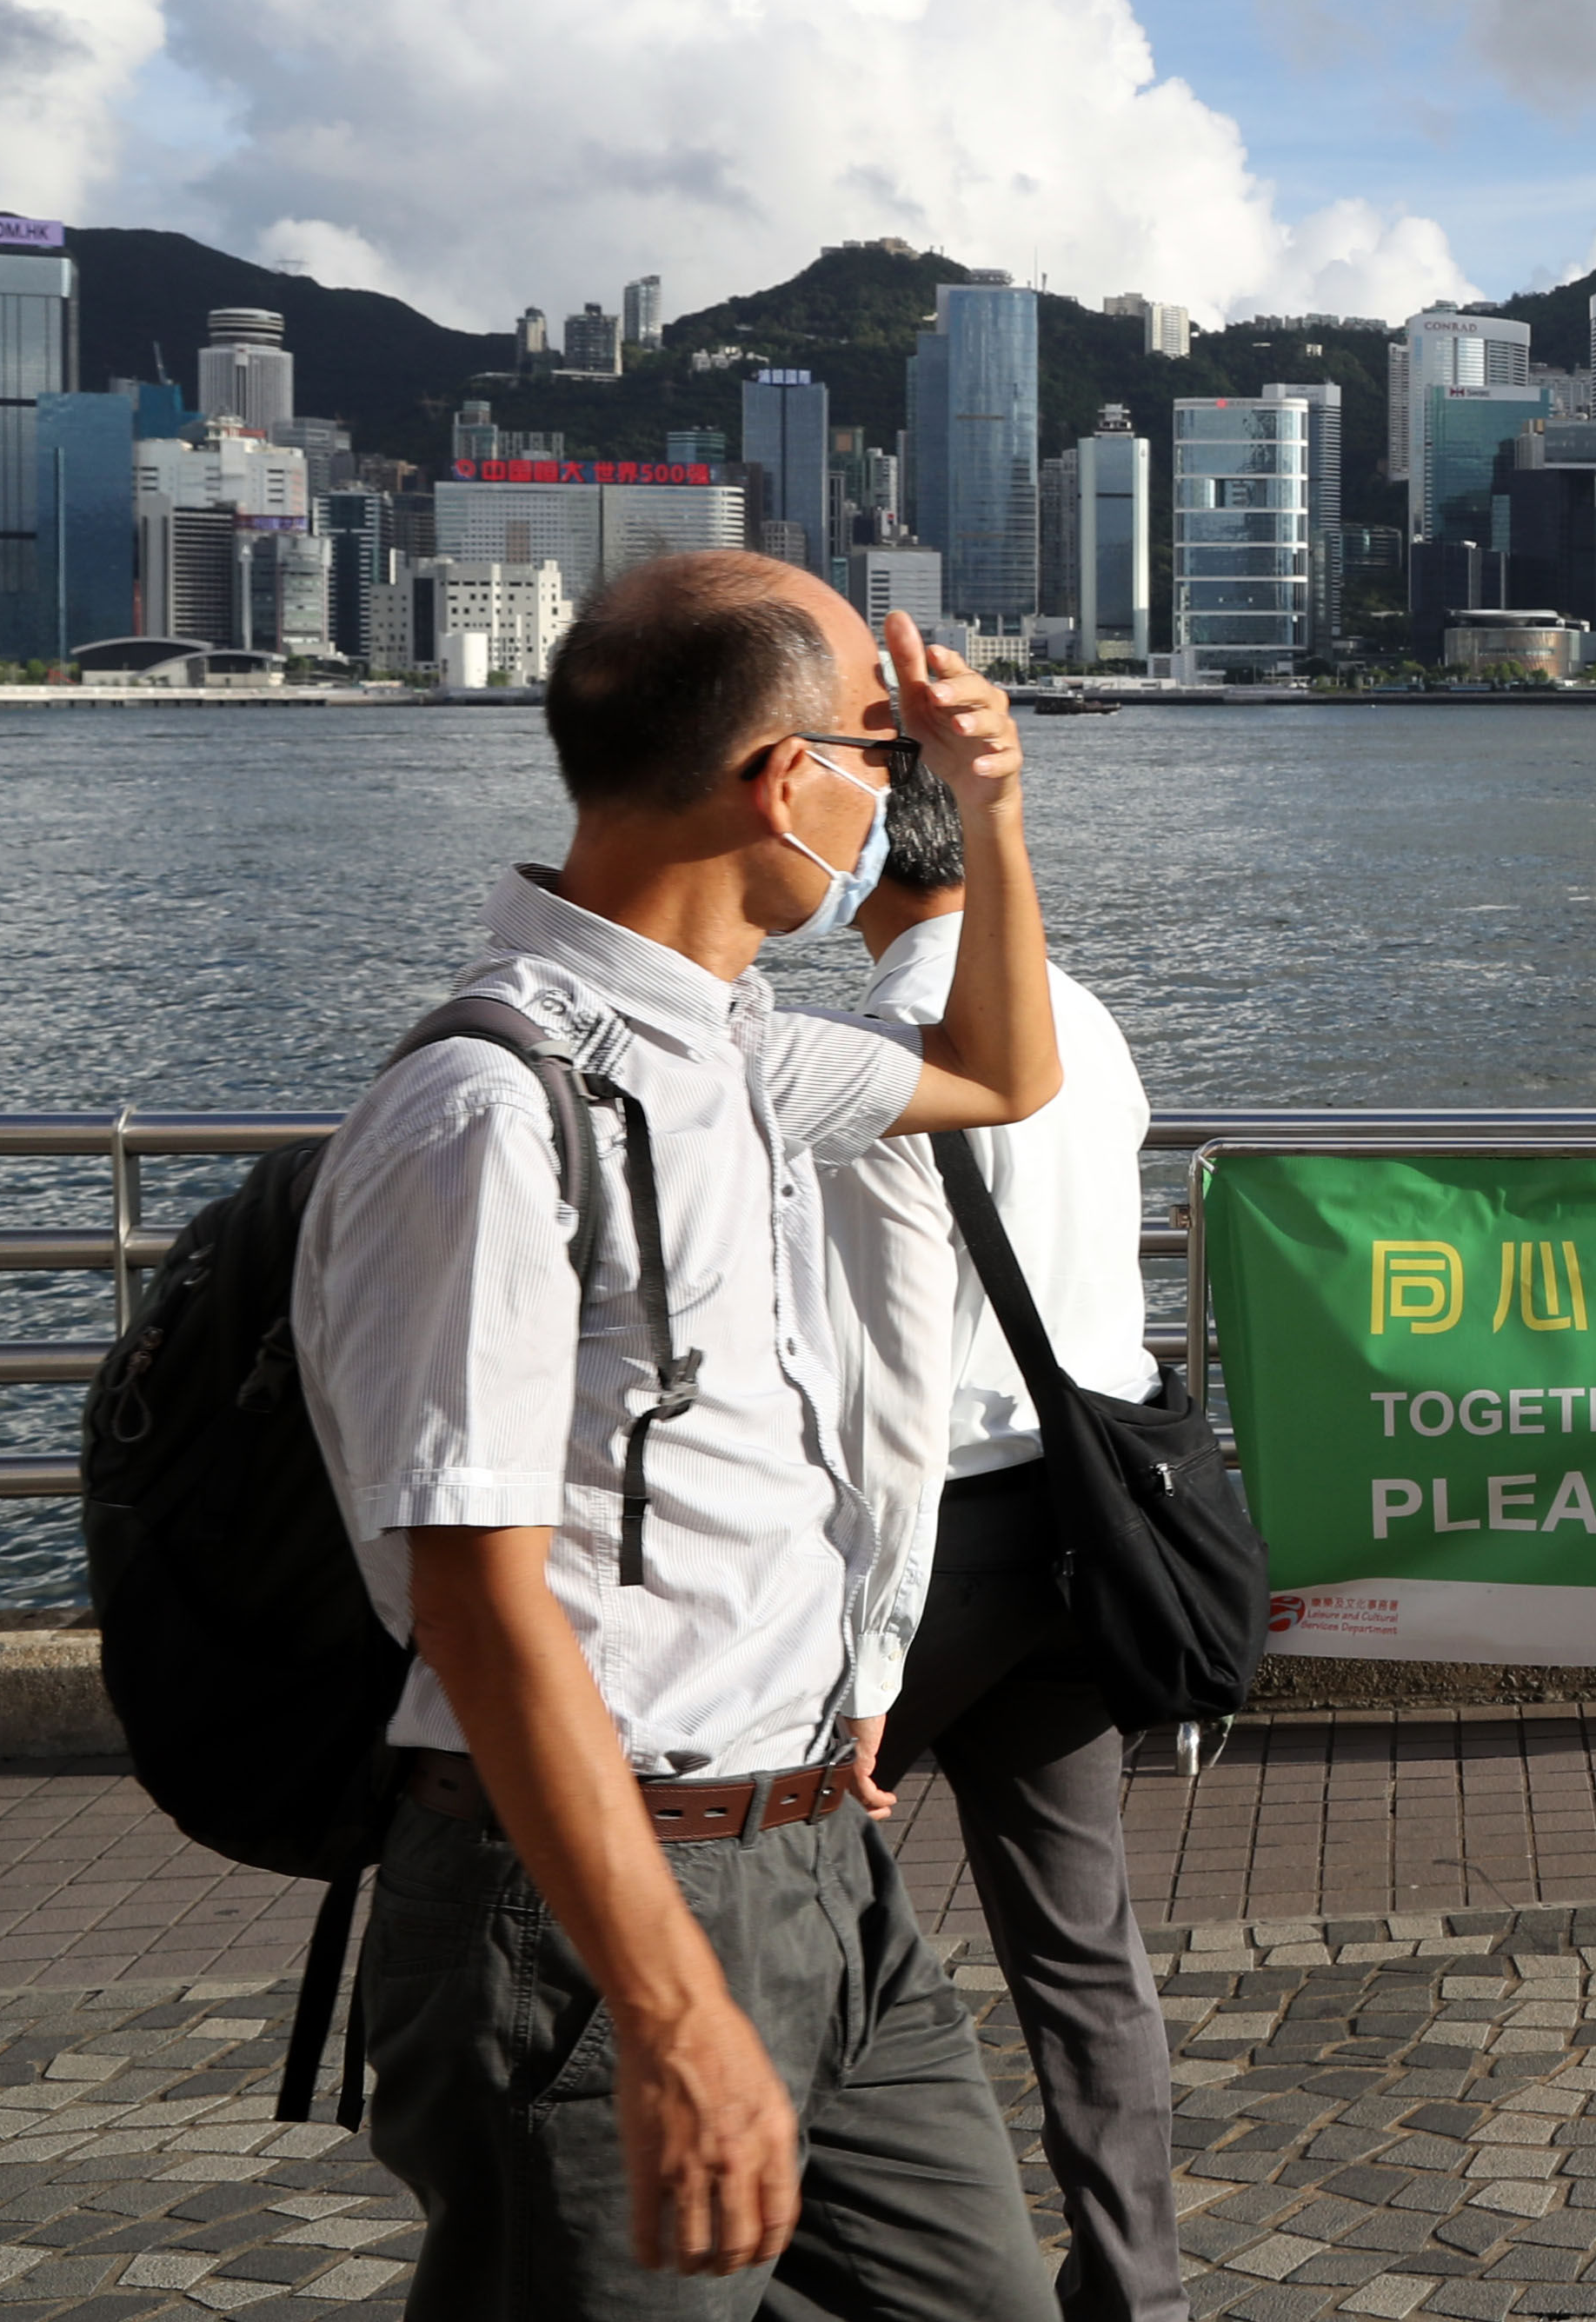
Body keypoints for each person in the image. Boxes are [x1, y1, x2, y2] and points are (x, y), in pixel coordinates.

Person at [296, 553, 1067, 2318]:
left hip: (819, 1858)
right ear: (786, 784)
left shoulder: (744, 1057)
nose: (901, 798)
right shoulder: (488, 1110)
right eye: (884, 759)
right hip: (588, 1913)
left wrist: (998, 809)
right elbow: (480, 1601)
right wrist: (663, 2009)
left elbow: (1004, 1075)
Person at [821, 767, 1188, 2322]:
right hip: (1080, 1533)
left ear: (866, 870)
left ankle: (797, 2261)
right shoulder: (1085, 1022)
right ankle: (1136, 2290)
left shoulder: (859, 1056)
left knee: (788, 1915)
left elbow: (862, 1378)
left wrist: (857, 1654)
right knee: (1083, 1948)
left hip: (930, 1549)